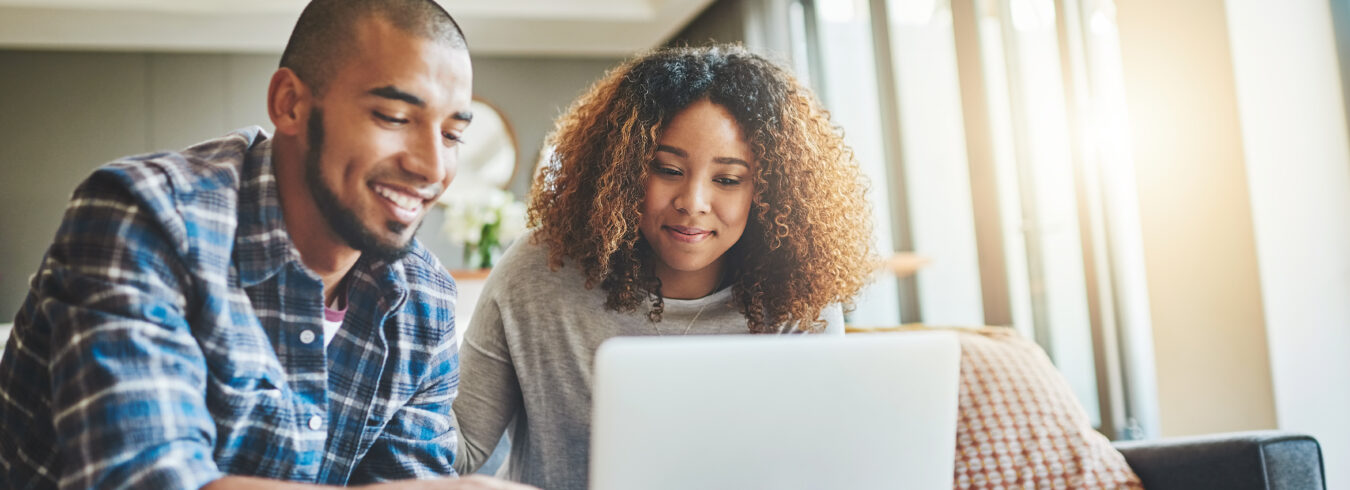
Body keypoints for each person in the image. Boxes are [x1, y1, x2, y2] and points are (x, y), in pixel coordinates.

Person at [0, 1, 534, 488]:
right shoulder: (146, 218)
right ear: (290, 103)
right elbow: (143, 479)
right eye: (394, 117)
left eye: (452, 134)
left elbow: (401, 477)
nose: (432, 167)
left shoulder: (424, 300)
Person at [451, 45, 878, 490]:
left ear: (769, 192)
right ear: (623, 168)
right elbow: (458, 450)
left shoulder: (796, 298)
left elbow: (816, 464)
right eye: (667, 169)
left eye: (728, 180)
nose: (692, 203)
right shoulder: (540, 271)